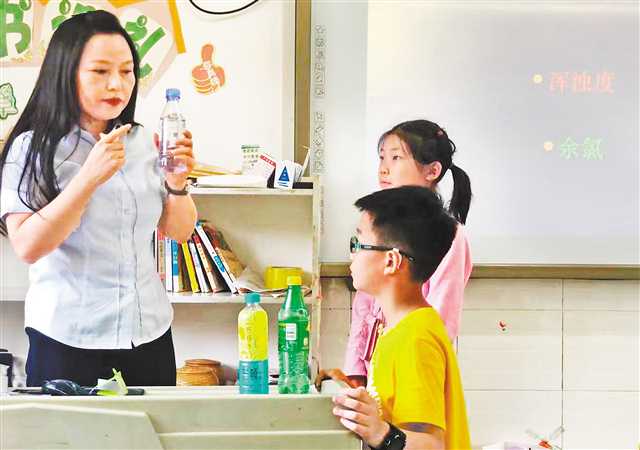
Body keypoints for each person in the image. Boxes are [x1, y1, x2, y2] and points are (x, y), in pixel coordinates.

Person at [0, 10, 197, 387]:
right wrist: (88, 177)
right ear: (66, 74)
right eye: (100, 71)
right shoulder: (32, 148)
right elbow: (27, 246)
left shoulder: (142, 141)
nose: (116, 84)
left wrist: (177, 182)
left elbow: (180, 231)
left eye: (126, 71)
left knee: (153, 428)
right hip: (68, 338)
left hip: (148, 333)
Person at [333, 186, 471, 450]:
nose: (352, 254)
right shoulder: (401, 328)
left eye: (358, 244)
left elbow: (431, 445)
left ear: (391, 261)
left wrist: (380, 432)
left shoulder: (414, 338)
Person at [344, 119, 473, 386]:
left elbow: (441, 316)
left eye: (396, 158)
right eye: (382, 157)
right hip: (377, 365)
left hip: (411, 367)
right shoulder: (379, 223)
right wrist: (355, 370)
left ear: (432, 171)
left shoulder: (449, 234)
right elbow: (364, 305)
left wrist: (408, 364)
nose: (384, 168)